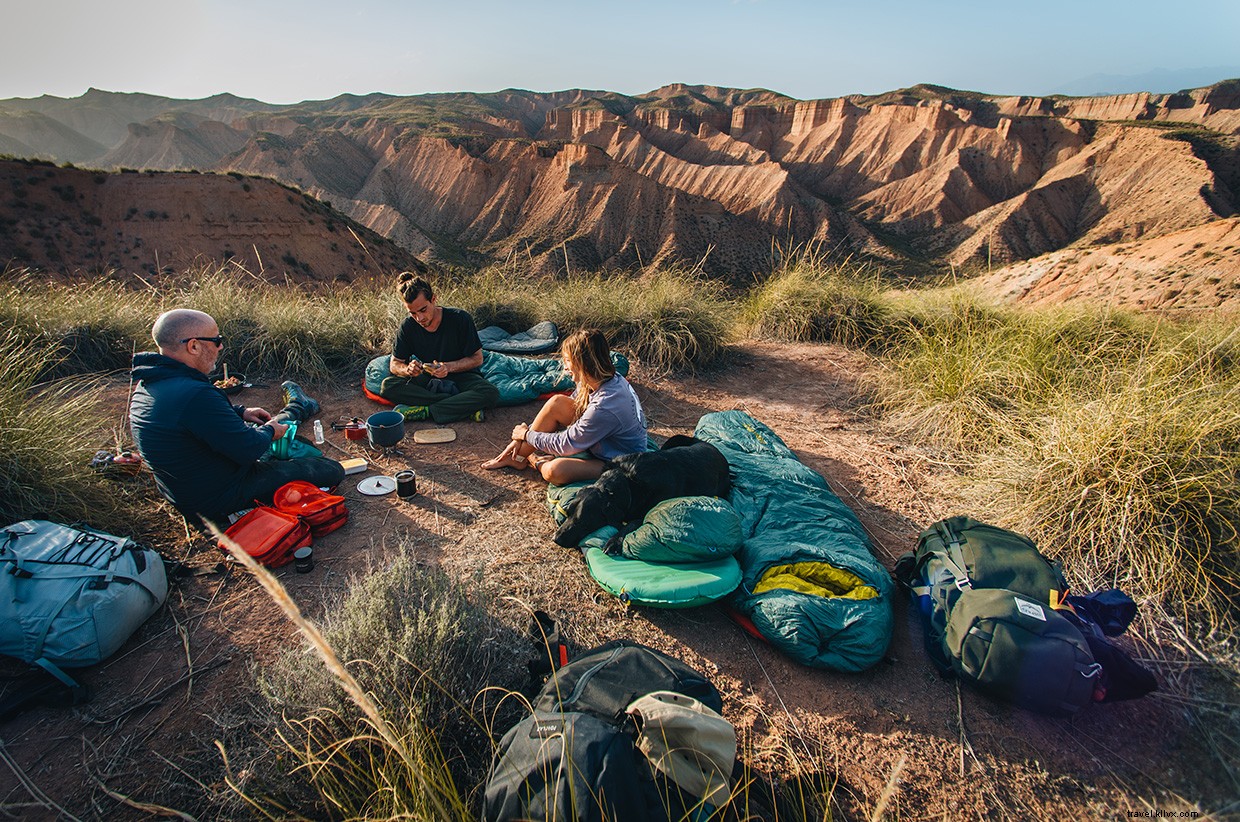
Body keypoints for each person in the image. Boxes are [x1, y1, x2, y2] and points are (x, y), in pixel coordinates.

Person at [129, 308, 344, 529]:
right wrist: (270, 432)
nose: (220, 346)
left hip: (193, 489)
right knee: (330, 470)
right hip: (222, 497)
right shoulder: (194, 394)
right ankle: (297, 409)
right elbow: (250, 449)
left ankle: (298, 406)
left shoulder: (151, 384)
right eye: (216, 340)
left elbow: (194, 417)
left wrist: (241, 412)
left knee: (258, 424)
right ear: (193, 346)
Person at [482, 329, 647, 484]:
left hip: (619, 461)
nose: (564, 366)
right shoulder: (599, 378)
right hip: (604, 440)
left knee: (554, 471)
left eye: (568, 360)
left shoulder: (605, 405)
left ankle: (535, 460)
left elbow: (566, 444)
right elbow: (570, 406)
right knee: (557, 403)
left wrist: (527, 435)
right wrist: (521, 438)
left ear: (584, 363)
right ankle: (517, 457)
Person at [379, 271, 500, 423]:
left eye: (423, 310)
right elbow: (395, 363)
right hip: (428, 376)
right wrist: (407, 369)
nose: (419, 318)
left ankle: (427, 411)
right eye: (413, 313)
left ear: (433, 299)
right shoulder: (408, 326)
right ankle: (461, 406)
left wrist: (448, 367)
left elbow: (477, 359)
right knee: (388, 386)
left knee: (490, 393)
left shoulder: (460, 319)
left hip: (462, 376)